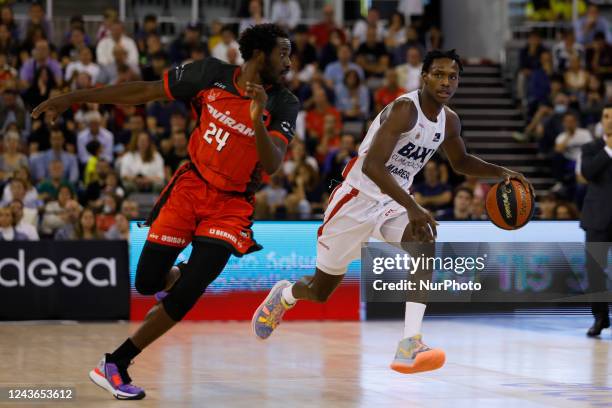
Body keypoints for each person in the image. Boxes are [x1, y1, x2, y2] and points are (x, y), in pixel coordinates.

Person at [32, 23, 297, 400]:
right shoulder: (211, 74)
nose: (288, 63)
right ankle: (177, 277)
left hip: (231, 206)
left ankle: (115, 363)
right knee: (147, 282)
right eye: (283, 54)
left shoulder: (283, 102)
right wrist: (73, 97)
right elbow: (144, 91)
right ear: (259, 55)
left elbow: (271, 163)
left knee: (189, 292)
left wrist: (256, 117)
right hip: (190, 188)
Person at [253, 49, 533, 374]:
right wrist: (414, 206)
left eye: (452, 76)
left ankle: (409, 343)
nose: (446, 82)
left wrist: (503, 173)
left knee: (424, 242)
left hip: (391, 204)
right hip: (356, 199)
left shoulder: (449, 121)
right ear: (424, 76)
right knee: (320, 290)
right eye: (439, 74)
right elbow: (373, 166)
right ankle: (285, 294)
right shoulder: (404, 109)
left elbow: (460, 162)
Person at [580, 104, 612, 337]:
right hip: (597, 219)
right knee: (595, 272)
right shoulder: (591, 147)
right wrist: (609, 150)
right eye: (606, 116)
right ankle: (600, 318)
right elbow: (588, 173)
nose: (609, 120)